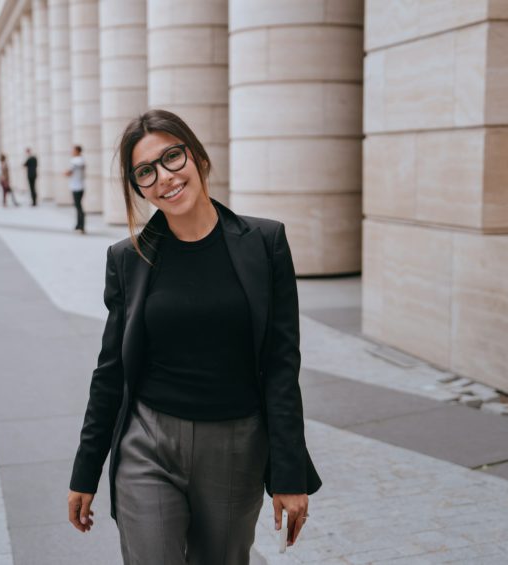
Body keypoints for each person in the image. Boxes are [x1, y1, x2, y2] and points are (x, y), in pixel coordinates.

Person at [67, 109, 321, 565]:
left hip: (235, 447)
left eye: (172, 157)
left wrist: (290, 473)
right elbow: (110, 371)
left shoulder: (265, 243)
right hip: (147, 443)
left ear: (197, 157)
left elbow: (282, 366)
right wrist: (86, 471)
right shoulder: (128, 259)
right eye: (146, 171)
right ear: (138, 187)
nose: (164, 177)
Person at [65, 145, 85, 233]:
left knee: (78, 206)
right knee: (78, 206)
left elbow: (68, 172)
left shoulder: (76, 161)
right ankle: (78, 225)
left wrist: (66, 173)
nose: (72, 152)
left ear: (77, 151)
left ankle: (81, 226)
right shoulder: (81, 160)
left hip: (77, 186)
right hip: (79, 186)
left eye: (73, 150)